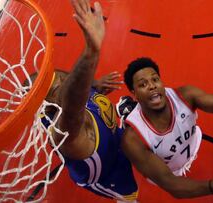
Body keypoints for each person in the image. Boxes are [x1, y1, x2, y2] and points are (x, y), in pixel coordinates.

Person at [120, 57, 213, 203]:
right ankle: (128, 110)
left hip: (190, 145)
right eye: (143, 84)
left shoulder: (185, 96)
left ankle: (129, 107)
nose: (152, 86)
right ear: (134, 92)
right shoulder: (133, 139)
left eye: (155, 79)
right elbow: (171, 183)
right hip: (168, 169)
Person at [41, 0, 138, 202]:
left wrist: (93, 84)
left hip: (115, 139)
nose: (64, 81)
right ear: (49, 106)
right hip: (108, 173)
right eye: (58, 87)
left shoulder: (71, 89)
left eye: (63, 77)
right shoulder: (65, 133)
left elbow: (70, 82)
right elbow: (71, 105)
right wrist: (91, 51)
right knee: (130, 197)